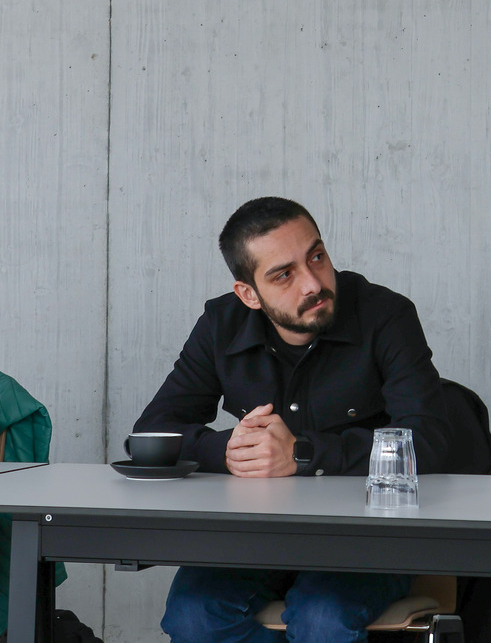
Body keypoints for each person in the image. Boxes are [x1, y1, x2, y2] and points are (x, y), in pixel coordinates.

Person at [135, 196, 450, 643]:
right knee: (193, 615)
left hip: (367, 534)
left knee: (322, 618)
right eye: (284, 274)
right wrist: (230, 450)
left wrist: (302, 454)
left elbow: (430, 440)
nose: (313, 283)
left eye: (317, 257)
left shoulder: (385, 315)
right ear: (249, 294)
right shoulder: (221, 324)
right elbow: (151, 433)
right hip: (258, 534)